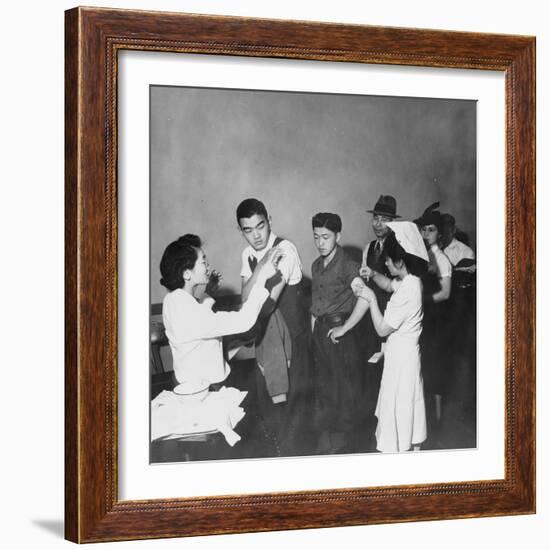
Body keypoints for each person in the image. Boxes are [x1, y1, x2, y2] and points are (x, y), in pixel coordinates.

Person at [237, 198, 313, 455]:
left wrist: (255, 283)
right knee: (268, 410)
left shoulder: (285, 250)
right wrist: (260, 266)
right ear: (241, 231)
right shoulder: (248, 256)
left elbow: (266, 304)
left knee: (293, 418)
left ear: (269, 221)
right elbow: (244, 298)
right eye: (248, 230)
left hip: (292, 339)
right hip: (264, 341)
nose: (256, 235)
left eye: (260, 226)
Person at [160, 234, 282, 393]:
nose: (208, 266)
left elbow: (198, 321)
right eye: (203, 261)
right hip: (204, 388)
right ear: (186, 273)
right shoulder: (189, 312)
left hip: (189, 381)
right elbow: (243, 321)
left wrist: (208, 294)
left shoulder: (173, 300)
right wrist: (263, 277)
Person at [352, 222, 428, 453]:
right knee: (407, 410)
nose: (385, 263)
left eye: (388, 260)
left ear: (400, 261)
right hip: (404, 356)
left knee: (400, 409)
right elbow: (388, 284)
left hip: (401, 362)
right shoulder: (412, 281)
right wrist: (373, 274)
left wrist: (372, 300)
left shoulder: (407, 291)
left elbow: (383, 329)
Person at [310, 212, 369, 453]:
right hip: (322, 333)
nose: (320, 242)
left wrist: (344, 328)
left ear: (338, 236)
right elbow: (316, 304)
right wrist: (314, 333)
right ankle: (331, 440)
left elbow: (366, 298)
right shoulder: (316, 265)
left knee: (346, 391)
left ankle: (346, 447)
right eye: (316, 237)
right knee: (326, 388)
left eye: (326, 237)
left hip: (342, 334)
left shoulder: (347, 265)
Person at [359, 195, 401, 444]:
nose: (378, 223)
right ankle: (375, 426)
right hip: (371, 313)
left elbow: (399, 286)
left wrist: (374, 276)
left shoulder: (398, 249)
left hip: (391, 314)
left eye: (384, 219)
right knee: (372, 366)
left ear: (393, 223)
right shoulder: (369, 248)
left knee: (390, 368)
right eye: (376, 218)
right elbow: (366, 281)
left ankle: (390, 426)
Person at [415, 203, 453, 425]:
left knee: (435, 363)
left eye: (431, 230)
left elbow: (446, 293)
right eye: (424, 229)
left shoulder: (442, 259)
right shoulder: (421, 257)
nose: (426, 234)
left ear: (439, 234)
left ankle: (437, 419)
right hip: (422, 315)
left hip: (436, 318)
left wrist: (423, 300)